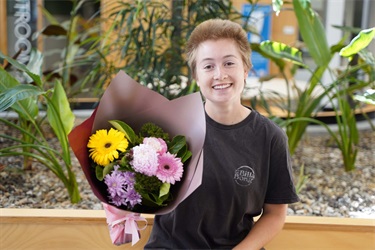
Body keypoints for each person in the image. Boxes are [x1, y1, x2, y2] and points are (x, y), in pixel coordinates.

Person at [144, 18, 299, 250]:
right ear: (196, 76)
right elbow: (138, 187)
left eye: (229, 63)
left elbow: (275, 214)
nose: (219, 74)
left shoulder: (270, 137)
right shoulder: (171, 127)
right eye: (208, 66)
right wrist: (119, 209)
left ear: (246, 69)